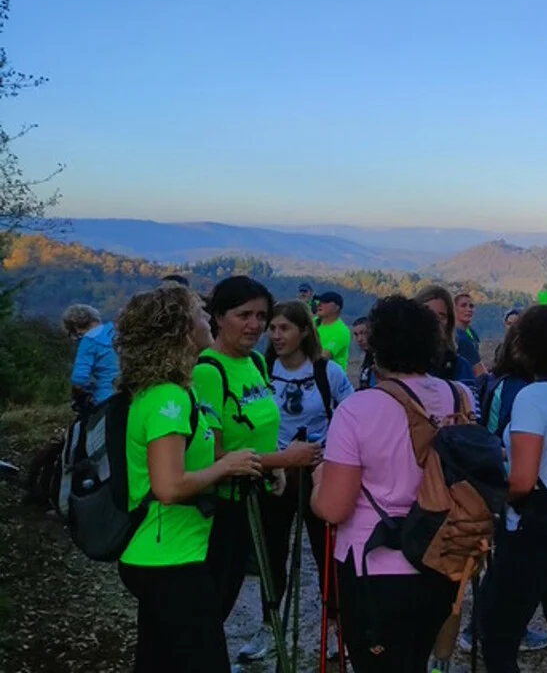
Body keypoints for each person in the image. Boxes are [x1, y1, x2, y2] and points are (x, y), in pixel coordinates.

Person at [311, 295, 469, 672]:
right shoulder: (458, 397)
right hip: (440, 558)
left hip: (373, 567)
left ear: (376, 346)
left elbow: (334, 508)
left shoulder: (357, 409)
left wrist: (318, 481)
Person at [114, 285, 261, 673]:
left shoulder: (166, 392)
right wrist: (226, 467)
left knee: (158, 662)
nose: (208, 317)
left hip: (163, 555)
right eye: (199, 313)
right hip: (170, 560)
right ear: (180, 330)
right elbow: (168, 487)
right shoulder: (169, 399)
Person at [478, 304, 547, 673]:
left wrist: (488, 496)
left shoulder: (532, 397)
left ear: (524, 345)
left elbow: (523, 481)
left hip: (530, 531)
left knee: (498, 635)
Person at [249, 300, 356, 661]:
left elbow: (350, 413)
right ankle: (269, 625)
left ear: (304, 331)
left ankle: (335, 626)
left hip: (318, 471)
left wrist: (333, 455)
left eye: (285, 328)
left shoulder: (327, 372)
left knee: (326, 551)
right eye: (273, 328)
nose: (276, 335)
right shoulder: (261, 369)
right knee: (272, 552)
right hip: (275, 470)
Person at [192, 276, 287, 626]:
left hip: (254, 498)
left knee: (229, 594)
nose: (255, 325)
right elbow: (213, 453)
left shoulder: (257, 363)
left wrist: (274, 465)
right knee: (213, 601)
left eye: (261, 316)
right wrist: (283, 460)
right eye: (244, 315)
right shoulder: (209, 370)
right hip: (221, 509)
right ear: (218, 317)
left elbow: (260, 427)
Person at [415, 285, 478, 389]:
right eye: (428, 313)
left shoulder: (459, 367)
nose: (434, 320)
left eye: (441, 316)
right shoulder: (399, 365)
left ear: (449, 323)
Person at [62, 304, 120, 410]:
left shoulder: (88, 341)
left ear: (76, 328)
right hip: (132, 393)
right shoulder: (114, 330)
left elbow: (79, 379)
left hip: (106, 399)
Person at [315, 292, 352, 373]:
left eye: (325, 302)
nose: (319, 304)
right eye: (319, 301)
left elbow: (324, 356)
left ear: (336, 308)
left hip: (331, 378)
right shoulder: (314, 323)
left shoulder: (341, 331)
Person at [454, 292, 488, 378]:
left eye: (471, 306)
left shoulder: (471, 332)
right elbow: (480, 371)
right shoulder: (458, 337)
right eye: (463, 305)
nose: (469, 309)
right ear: (454, 309)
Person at [352, 316, 376, 390]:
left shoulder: (383, 361)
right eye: (356, 335)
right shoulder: (368, 358)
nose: (359, 339)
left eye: (364, 333)